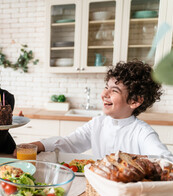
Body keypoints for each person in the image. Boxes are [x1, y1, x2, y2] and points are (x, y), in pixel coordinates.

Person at [25, 60, 173, 160]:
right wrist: (40, 145)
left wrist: (138, 163)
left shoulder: (142, 132)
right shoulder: (97, 124)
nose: (104, 95)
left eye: (114, 91)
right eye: (106, 87)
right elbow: (69, 144)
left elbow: (166, 161)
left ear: (135, 101)